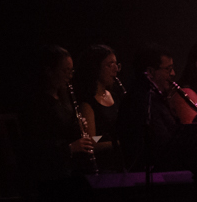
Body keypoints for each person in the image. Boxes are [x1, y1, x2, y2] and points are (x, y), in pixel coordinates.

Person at [18, 46, 97, 188]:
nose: (70, 76)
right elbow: (35, 146)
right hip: (49, 173)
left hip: (67, 167)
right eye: (65, 71)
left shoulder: (64, 100)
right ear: (49, 71)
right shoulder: (36, 103)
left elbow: (64, 131)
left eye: (71, 71)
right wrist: (71, 148)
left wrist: (78, 127)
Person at [75, 44, 123, 158]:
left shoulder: (115, 97)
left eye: (116, 64)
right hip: (104, 163)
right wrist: (119, 143)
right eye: (110, 65)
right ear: (95, 68)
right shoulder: (87, 103)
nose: (116, 69)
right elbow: (92, 141)